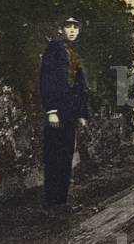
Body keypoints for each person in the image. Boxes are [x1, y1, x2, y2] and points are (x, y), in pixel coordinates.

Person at [39, 15, 90, 213]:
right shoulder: (54, 49)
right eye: (68, 27)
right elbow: (46, 79)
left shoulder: (73, 51)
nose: (72, 31)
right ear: (61, 29)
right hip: (57, 111)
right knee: (54, 154)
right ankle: (53, 200)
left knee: (66, 153)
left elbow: (79, 84)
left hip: (70, 112)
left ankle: (61, 199)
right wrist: (51, 110)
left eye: (75, 28)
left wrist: (81, 113)